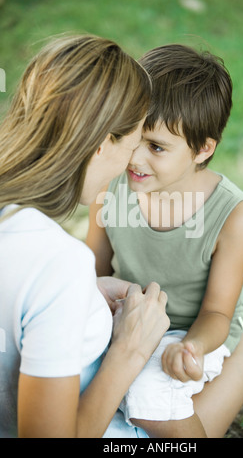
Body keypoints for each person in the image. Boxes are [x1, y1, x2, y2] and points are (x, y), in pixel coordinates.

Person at [86, 44, 243, 438]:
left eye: (156, 147)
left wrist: (193, 348)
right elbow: (93, 271)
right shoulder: (111, 184)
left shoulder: (233, 215)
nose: (134, 158)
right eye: (131, 137)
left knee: (148, 393)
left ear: (203, 149)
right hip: (131, 320)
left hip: (189, 332)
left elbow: (218, 314)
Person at [0, 34, 170, 438]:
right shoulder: (57, 262)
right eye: (131, 145)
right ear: (100, 144)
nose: (131, 163)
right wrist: (130, 349)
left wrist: (84, 292)